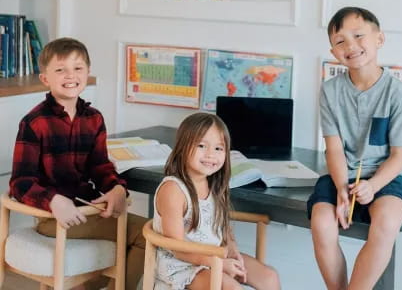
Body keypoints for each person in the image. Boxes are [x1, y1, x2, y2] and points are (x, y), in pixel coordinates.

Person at [9, 37, 147, 290]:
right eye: (60, 69)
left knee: (146, 234)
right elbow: (20, 182)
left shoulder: (94, 119)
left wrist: (117, 189)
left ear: (88, 73)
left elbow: (101, 167)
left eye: (78, 68)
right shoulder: (34, 122)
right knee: (147, 236)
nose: (70, 75)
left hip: (87, 210)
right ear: (45, 78)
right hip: (52, 217)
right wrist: (54, 200)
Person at [307, 7, 402, 290]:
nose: (351, 46)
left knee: (387, 222)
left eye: (358, 36)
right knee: (321, 223)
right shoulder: (330, 91)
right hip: (343, 173)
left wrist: (374, 184)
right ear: (333, 52)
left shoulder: (398, 93)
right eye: (341, 41)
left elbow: (399, 155)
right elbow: (333, 149)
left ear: (379, 39)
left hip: (388, 175)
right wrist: (342, 187)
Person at [153, 112, 281, 290]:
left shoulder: (214, 184)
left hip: (215, 256)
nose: (210, 154)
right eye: (201, 146)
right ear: (183, 147)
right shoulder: (174, 190)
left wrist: (232, 247)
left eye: (218, 148)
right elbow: (178, 247)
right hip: (182, 266)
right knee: (231, 287)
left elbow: (221, 225)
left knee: (269, 277)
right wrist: (216, 262)